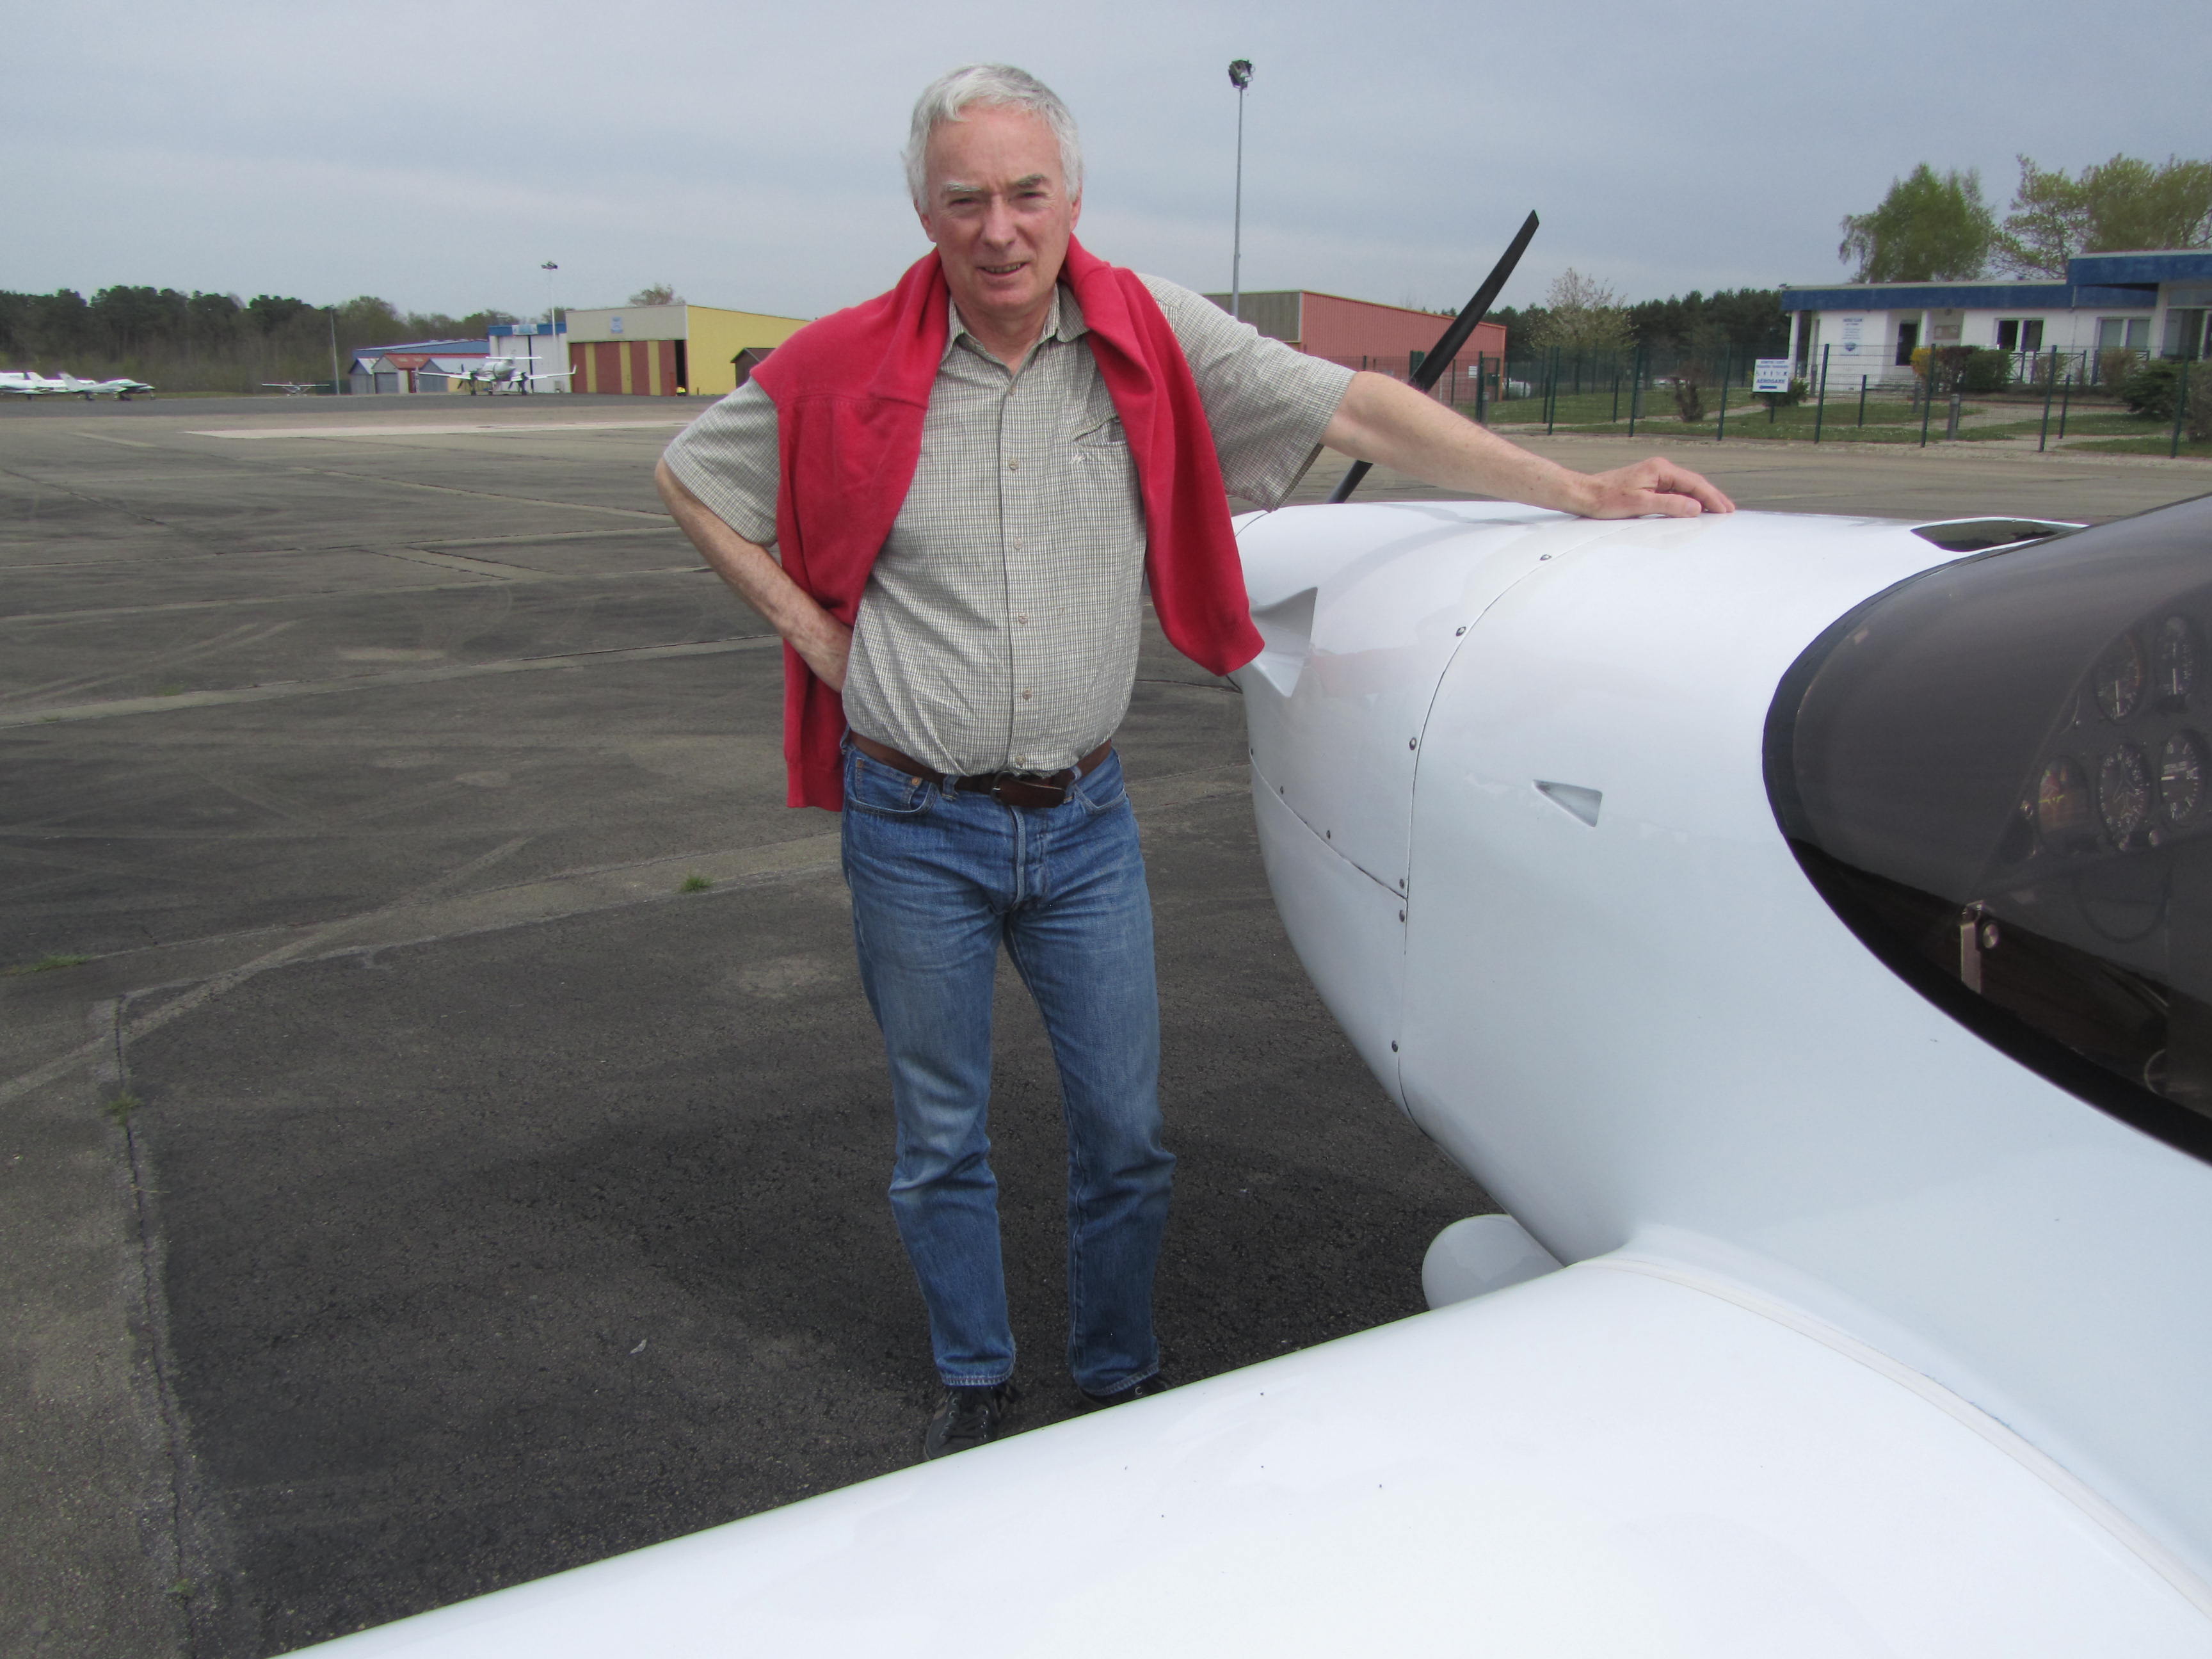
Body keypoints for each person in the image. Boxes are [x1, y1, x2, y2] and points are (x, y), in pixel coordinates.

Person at [657, 62, 1733, 1461]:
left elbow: (1356, 410)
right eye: (966, 199)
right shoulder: (845, 359)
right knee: (941, 1134)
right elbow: (693, 475)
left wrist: (1576, 489)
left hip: (1083, 823)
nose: (999, 228)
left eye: (1027, 193)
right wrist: (818, 637)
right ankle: (977, 1385)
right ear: (925, 212)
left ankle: (1115, 1380)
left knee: (1127, 1129)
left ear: (1072, 197)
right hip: (912, 821)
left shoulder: (1145, 330)